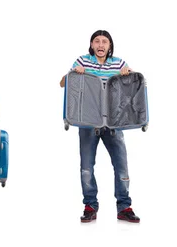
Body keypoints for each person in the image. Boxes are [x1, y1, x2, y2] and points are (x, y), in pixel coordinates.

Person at [60, 30, 140, 223]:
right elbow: (63, 83)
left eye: (105, 41)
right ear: (92, 44)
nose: (101, 44)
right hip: (88, 122)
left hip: (114, 122)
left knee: (121, 167)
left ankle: (124, 207)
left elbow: (134, 88)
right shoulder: (82, 61)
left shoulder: (119, 63)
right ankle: (90, 206)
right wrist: (73, 74)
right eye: (97, 41)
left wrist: (127, 75)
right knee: (86, 167)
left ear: (110, 45)